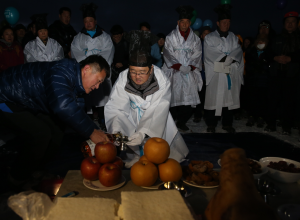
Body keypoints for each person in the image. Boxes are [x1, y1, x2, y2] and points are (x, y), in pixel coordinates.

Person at [0, 55, 110, 187]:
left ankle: (36, 170)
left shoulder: (76, 85)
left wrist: (94, 130)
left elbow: (76, 112)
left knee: (56, 131)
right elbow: (62, 106)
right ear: (86, 70)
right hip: (5, 99)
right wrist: (91, 132)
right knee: (40, 134)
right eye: (98, 81)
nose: (97, 87)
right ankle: (17, 177)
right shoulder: (62, 71)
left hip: (27, 103)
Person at [105, 30, 189, 168]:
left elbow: (158, 108)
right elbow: (116, 106)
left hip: (157, 118)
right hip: (132, 116)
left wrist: (144, 132)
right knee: (133, 147)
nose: (137, 76)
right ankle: (137, 156)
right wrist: (117, 129)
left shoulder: (161, 79)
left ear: (150, 69)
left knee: (161, 153)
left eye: (142, 72)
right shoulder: (123, 77)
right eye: (133, 71)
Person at [71, 3, 114, 130]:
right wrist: (90, 63)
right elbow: (75, 53)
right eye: (85, 21)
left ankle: (103, 121)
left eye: (90, 21)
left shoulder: (105, 37)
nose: (88, 23)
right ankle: (87, 124)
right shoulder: (78, 38)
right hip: (87, 74)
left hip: (99, 73)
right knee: (86, 99)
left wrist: (93, 62)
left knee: (102, 99)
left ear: (95, 21)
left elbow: (108, 52)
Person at [204, 4, 244, 133]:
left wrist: (227, 59)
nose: (226, 25)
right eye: (223, 22)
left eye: (228, 22)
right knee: (214, 98)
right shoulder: (210, 38)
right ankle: (211, 123)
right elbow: (210, 53)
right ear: (218, 23)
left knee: (229, 98)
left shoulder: (234, 38)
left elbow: (237, 52)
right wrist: (228, 58)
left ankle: (227, 123)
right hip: (216, 74)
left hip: (230, 73)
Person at [162, 5, 203, 131]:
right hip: (174, 71)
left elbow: (197, 53)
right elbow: (168, 53)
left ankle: (182, 121)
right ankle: (173, 120)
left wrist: (190, 67)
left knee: (188, 99)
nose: (184, 24)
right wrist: (179, 66)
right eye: (182, 22)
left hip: (189, 72)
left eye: (187, 22)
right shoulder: (170, 37)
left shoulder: (195, 39)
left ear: (190, 23)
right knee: (174, 97)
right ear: (178, 22)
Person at [264, 11, 300, 135]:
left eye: (292, 22)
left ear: (297, 23)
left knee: (289, 102)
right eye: (287, 22)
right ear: (284, 24)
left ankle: (287, 127)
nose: (290, 24)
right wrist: (275, 58)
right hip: (276, 74)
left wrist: (291, 58)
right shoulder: (276, 38)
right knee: (272, 100)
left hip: (292, 75)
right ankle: (271, 124)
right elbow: (267, 53)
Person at [245, 34, 272, 127]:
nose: (261, 44)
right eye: (259, 42)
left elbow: (269, 66)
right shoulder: (251, 51)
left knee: (262, 99)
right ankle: (251, 116)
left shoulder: (268, 53)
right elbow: (248, 65)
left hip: (264, 81)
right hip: (252, 80)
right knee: (252, 99)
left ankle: (261, 117)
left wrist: (262, 67)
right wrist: (253, 69)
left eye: (263, 42)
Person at [193, 26, 211, 123]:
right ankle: (198, 115)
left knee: (209, 97)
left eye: (209, 33)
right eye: (205, 33)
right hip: (200, 76)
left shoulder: (214, 46)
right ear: (201, 35)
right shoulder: (197, 46)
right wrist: (200, 64)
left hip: (211, 76)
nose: (207, 35)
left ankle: (208, 115)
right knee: (199, 96)